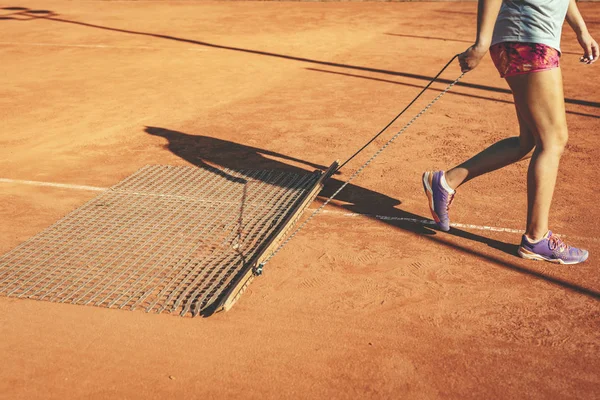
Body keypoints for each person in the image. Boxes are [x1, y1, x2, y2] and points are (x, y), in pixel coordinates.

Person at [422, 0, 597, 264]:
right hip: (528, 39)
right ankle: (536, 238)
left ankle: (446, 181)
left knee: (527, 142)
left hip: (528, 39)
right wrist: (481, 42)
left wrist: (581, 31)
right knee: (553, 141)